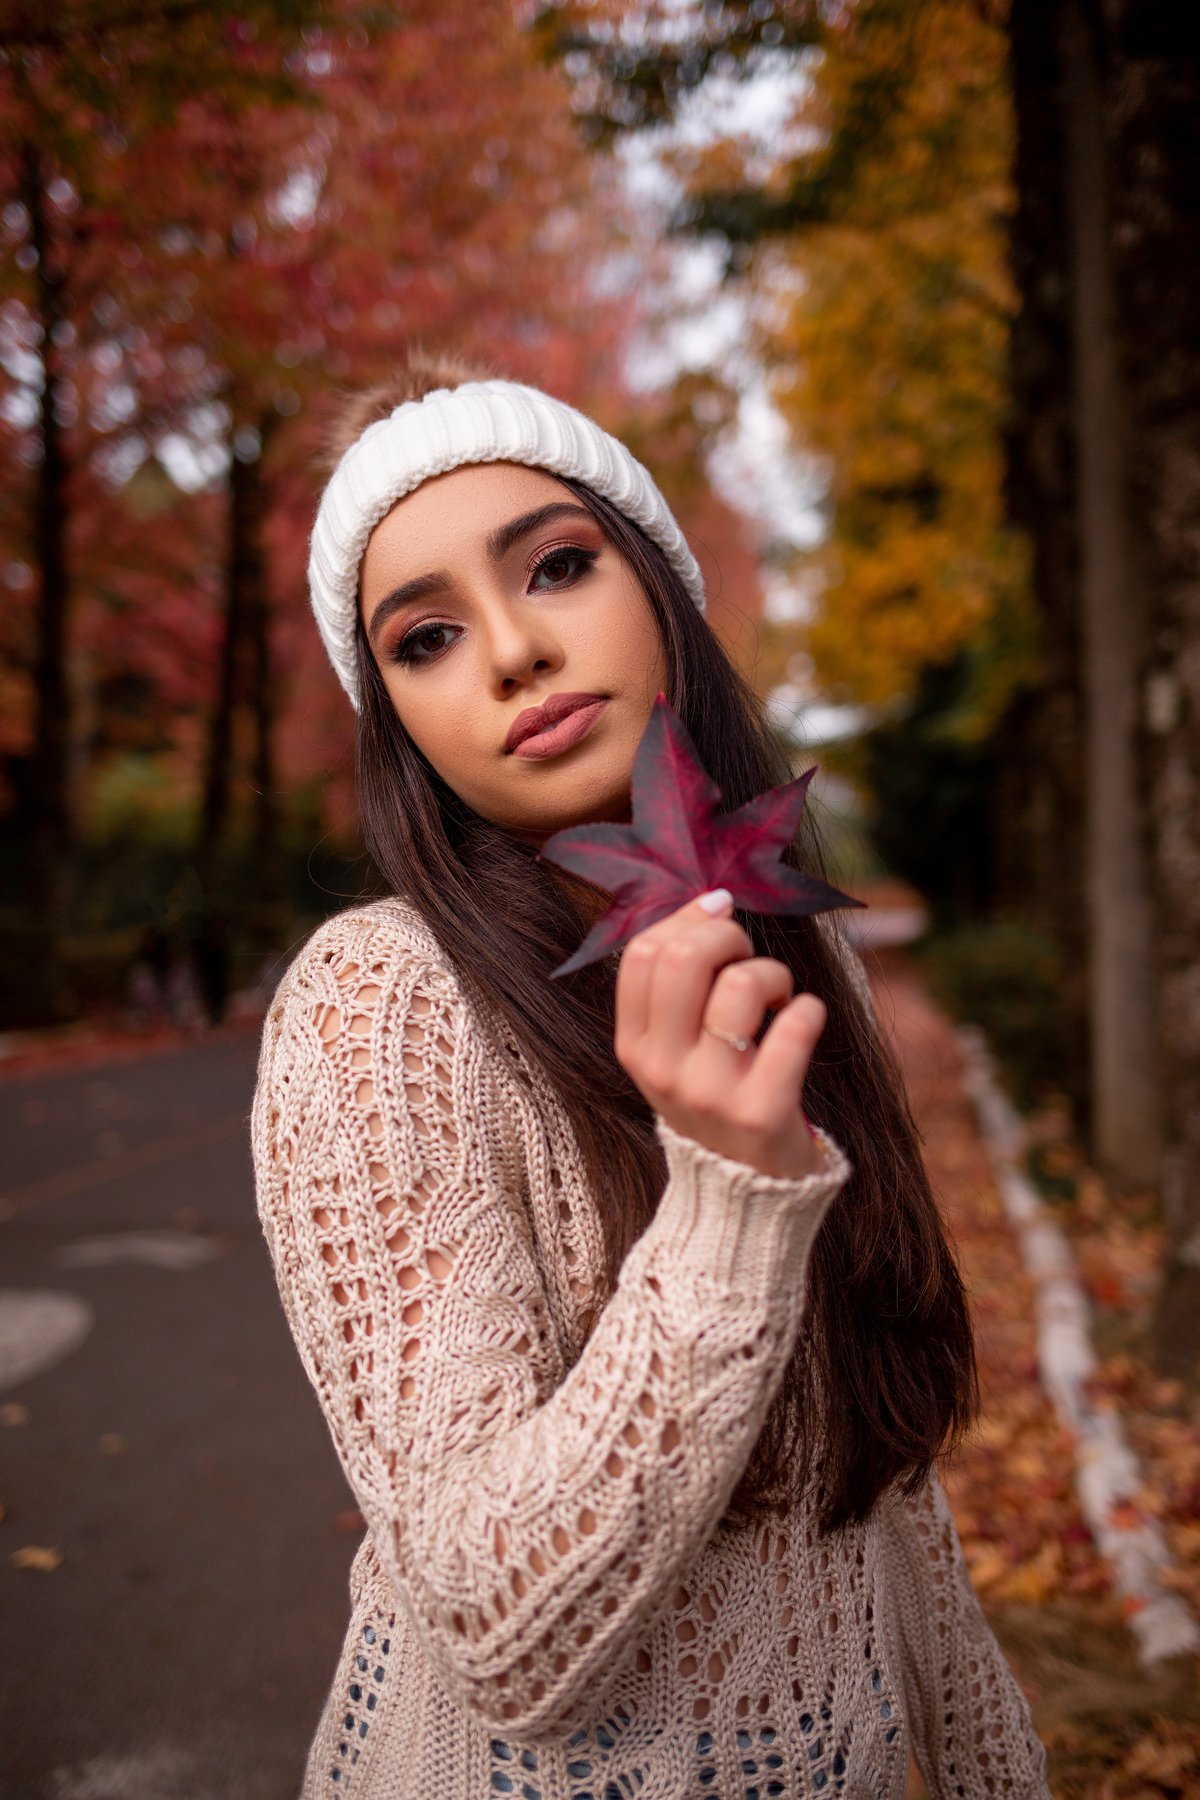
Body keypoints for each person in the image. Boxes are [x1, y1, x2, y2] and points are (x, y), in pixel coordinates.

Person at [252, 354, 1049, 1800]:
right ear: (399, 721)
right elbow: (501, 1636)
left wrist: (994, 1763)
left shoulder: (800, 947)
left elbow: (880, 1477)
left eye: (557, 567)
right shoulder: (380, 1005)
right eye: (426, 638)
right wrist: (728, 1205)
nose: (510, 651)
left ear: (663, 594)